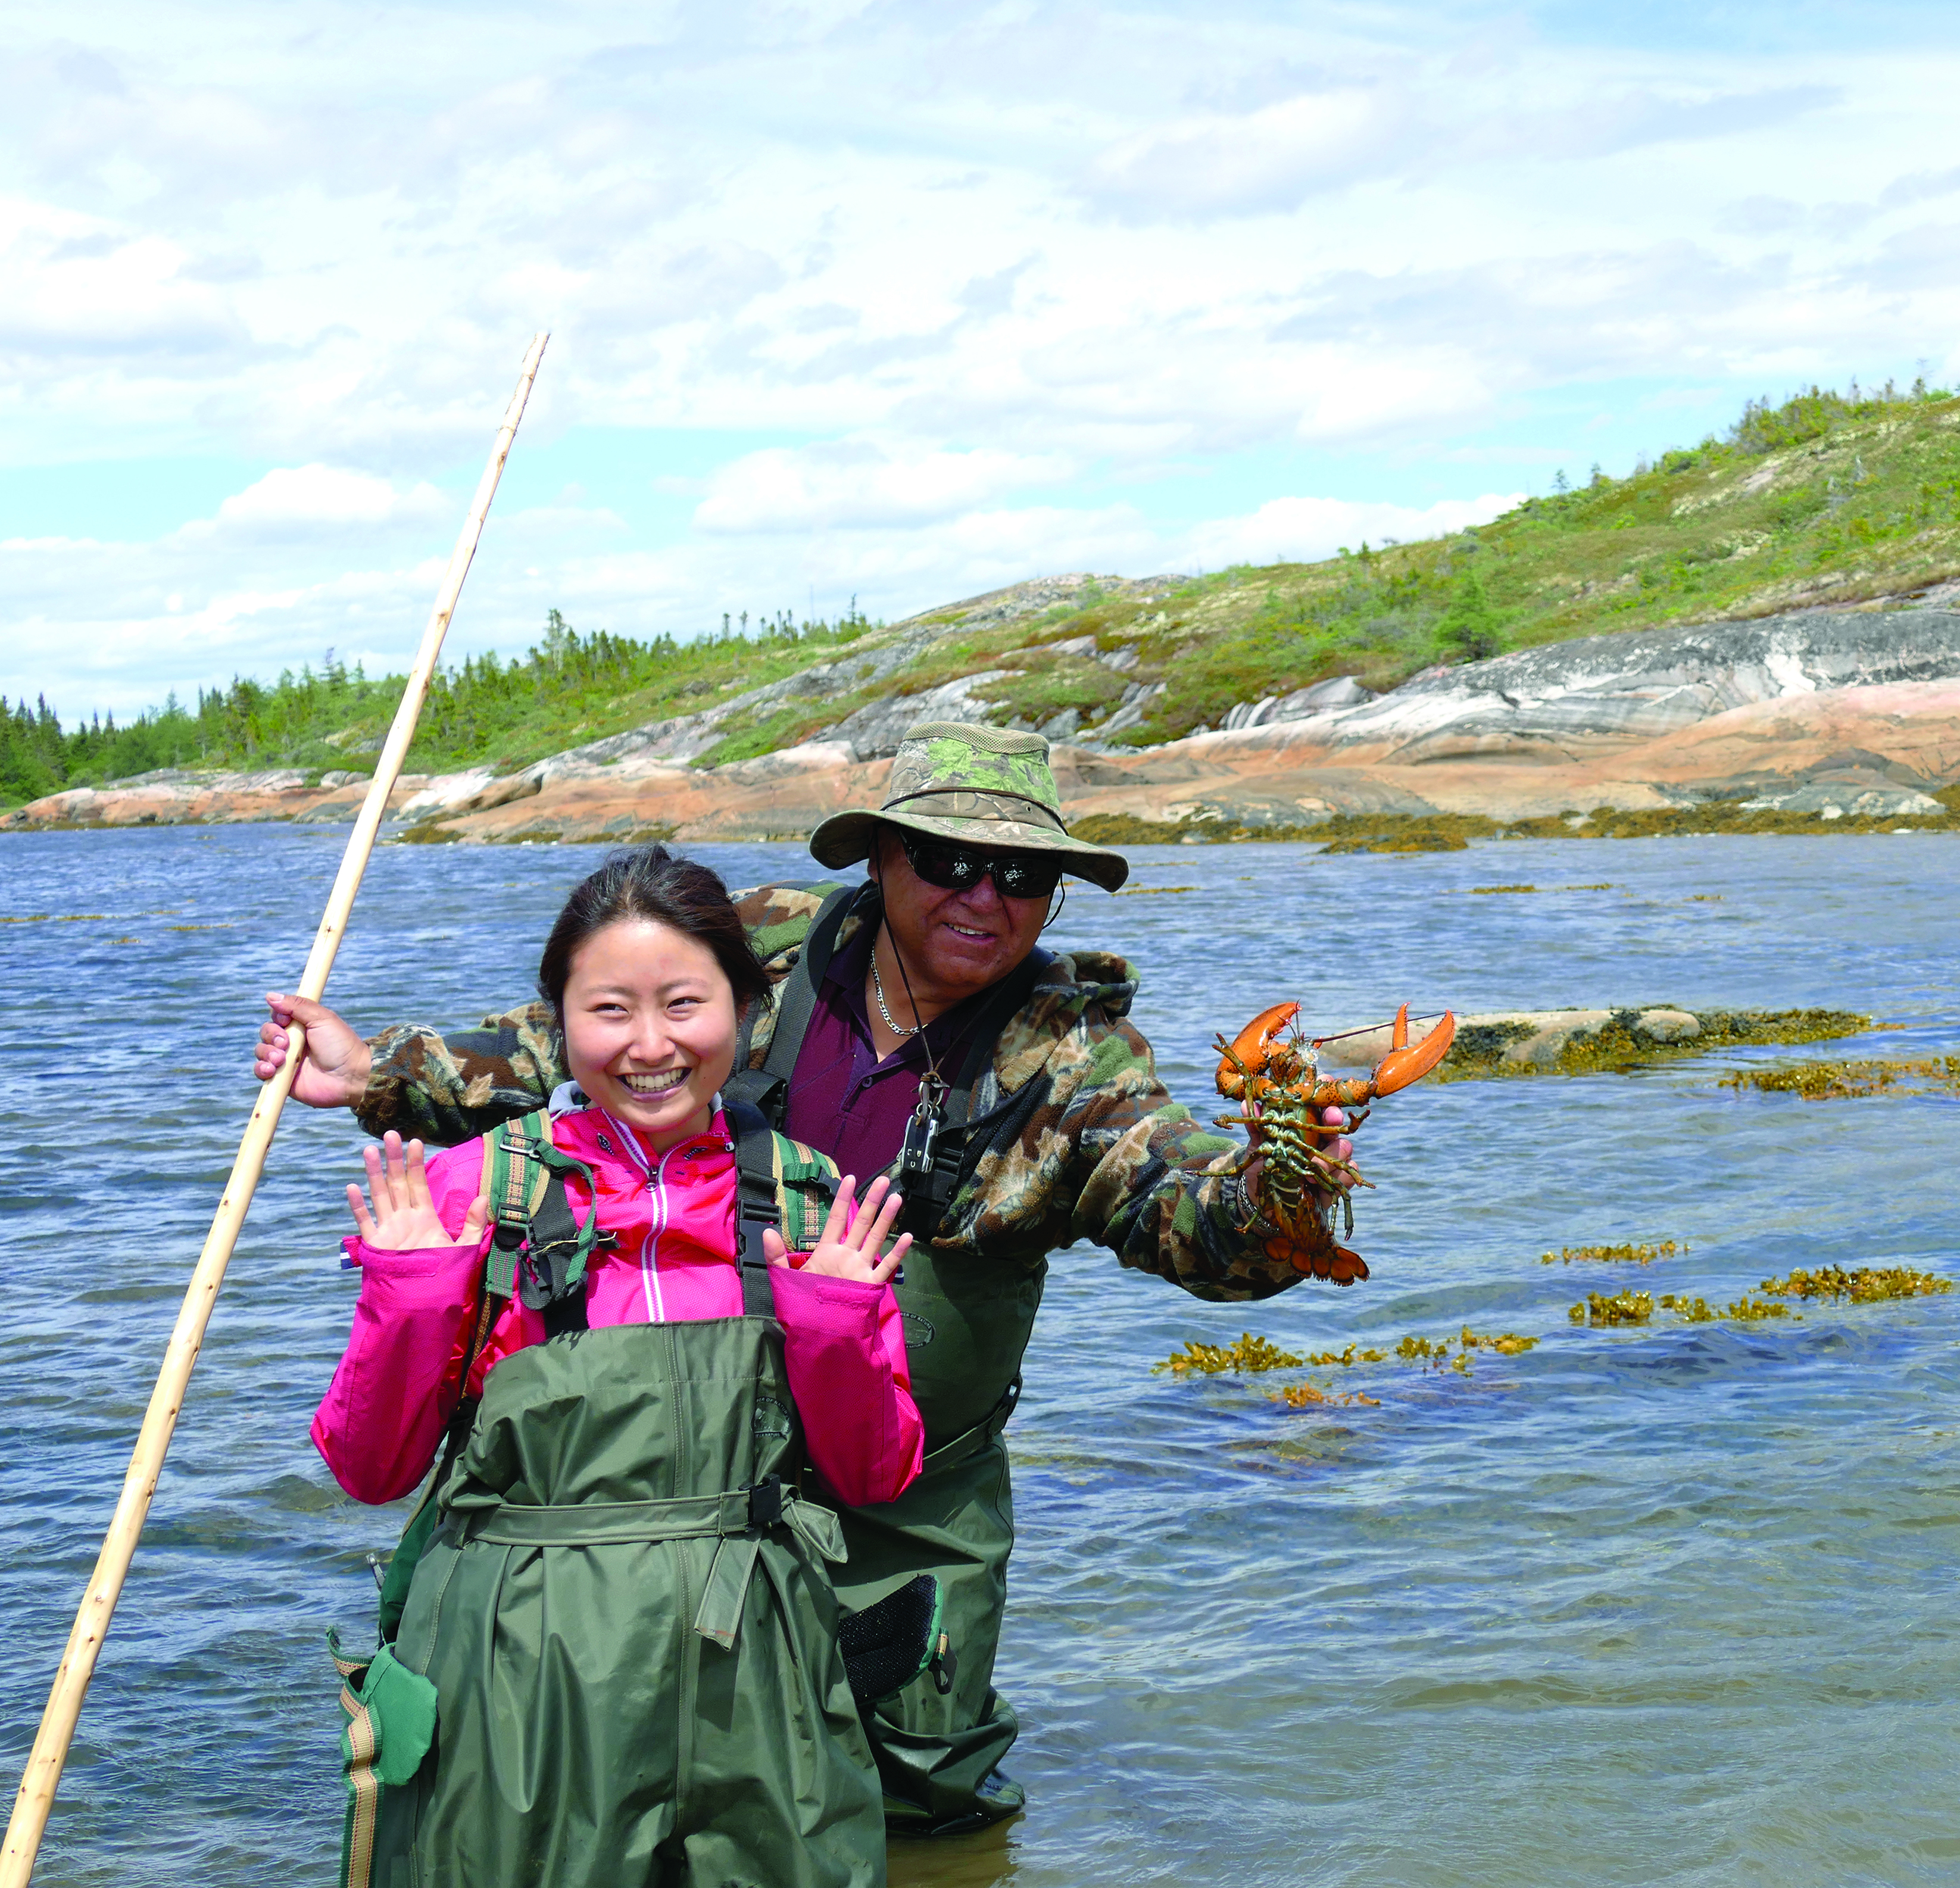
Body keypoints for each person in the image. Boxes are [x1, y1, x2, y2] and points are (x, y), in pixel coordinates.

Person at [263, 722, 1356, 1842]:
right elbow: (590, 1029)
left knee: (920, 1788)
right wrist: (382, 1076)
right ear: (878, 858)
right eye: (947, 860)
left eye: (1023, 874)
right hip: (701, 1479)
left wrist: (1284, 1193)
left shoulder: (1077, 1057)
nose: (985, 896)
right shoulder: (774, 944)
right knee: (672, 1788)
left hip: (911, 1493)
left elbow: (1184, 1202)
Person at [317, 844, 923, 1887]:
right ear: (558, 1024)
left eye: (685, 1004)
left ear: (744, 1008)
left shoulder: (811, 1196)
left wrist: (833, 1321)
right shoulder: (471, 1192)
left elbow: (875, 1479)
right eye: (610, 1011)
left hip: (758, 1676)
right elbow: (372, 1472)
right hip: (522, 1676)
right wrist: (411, 1296)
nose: (650, 1047)